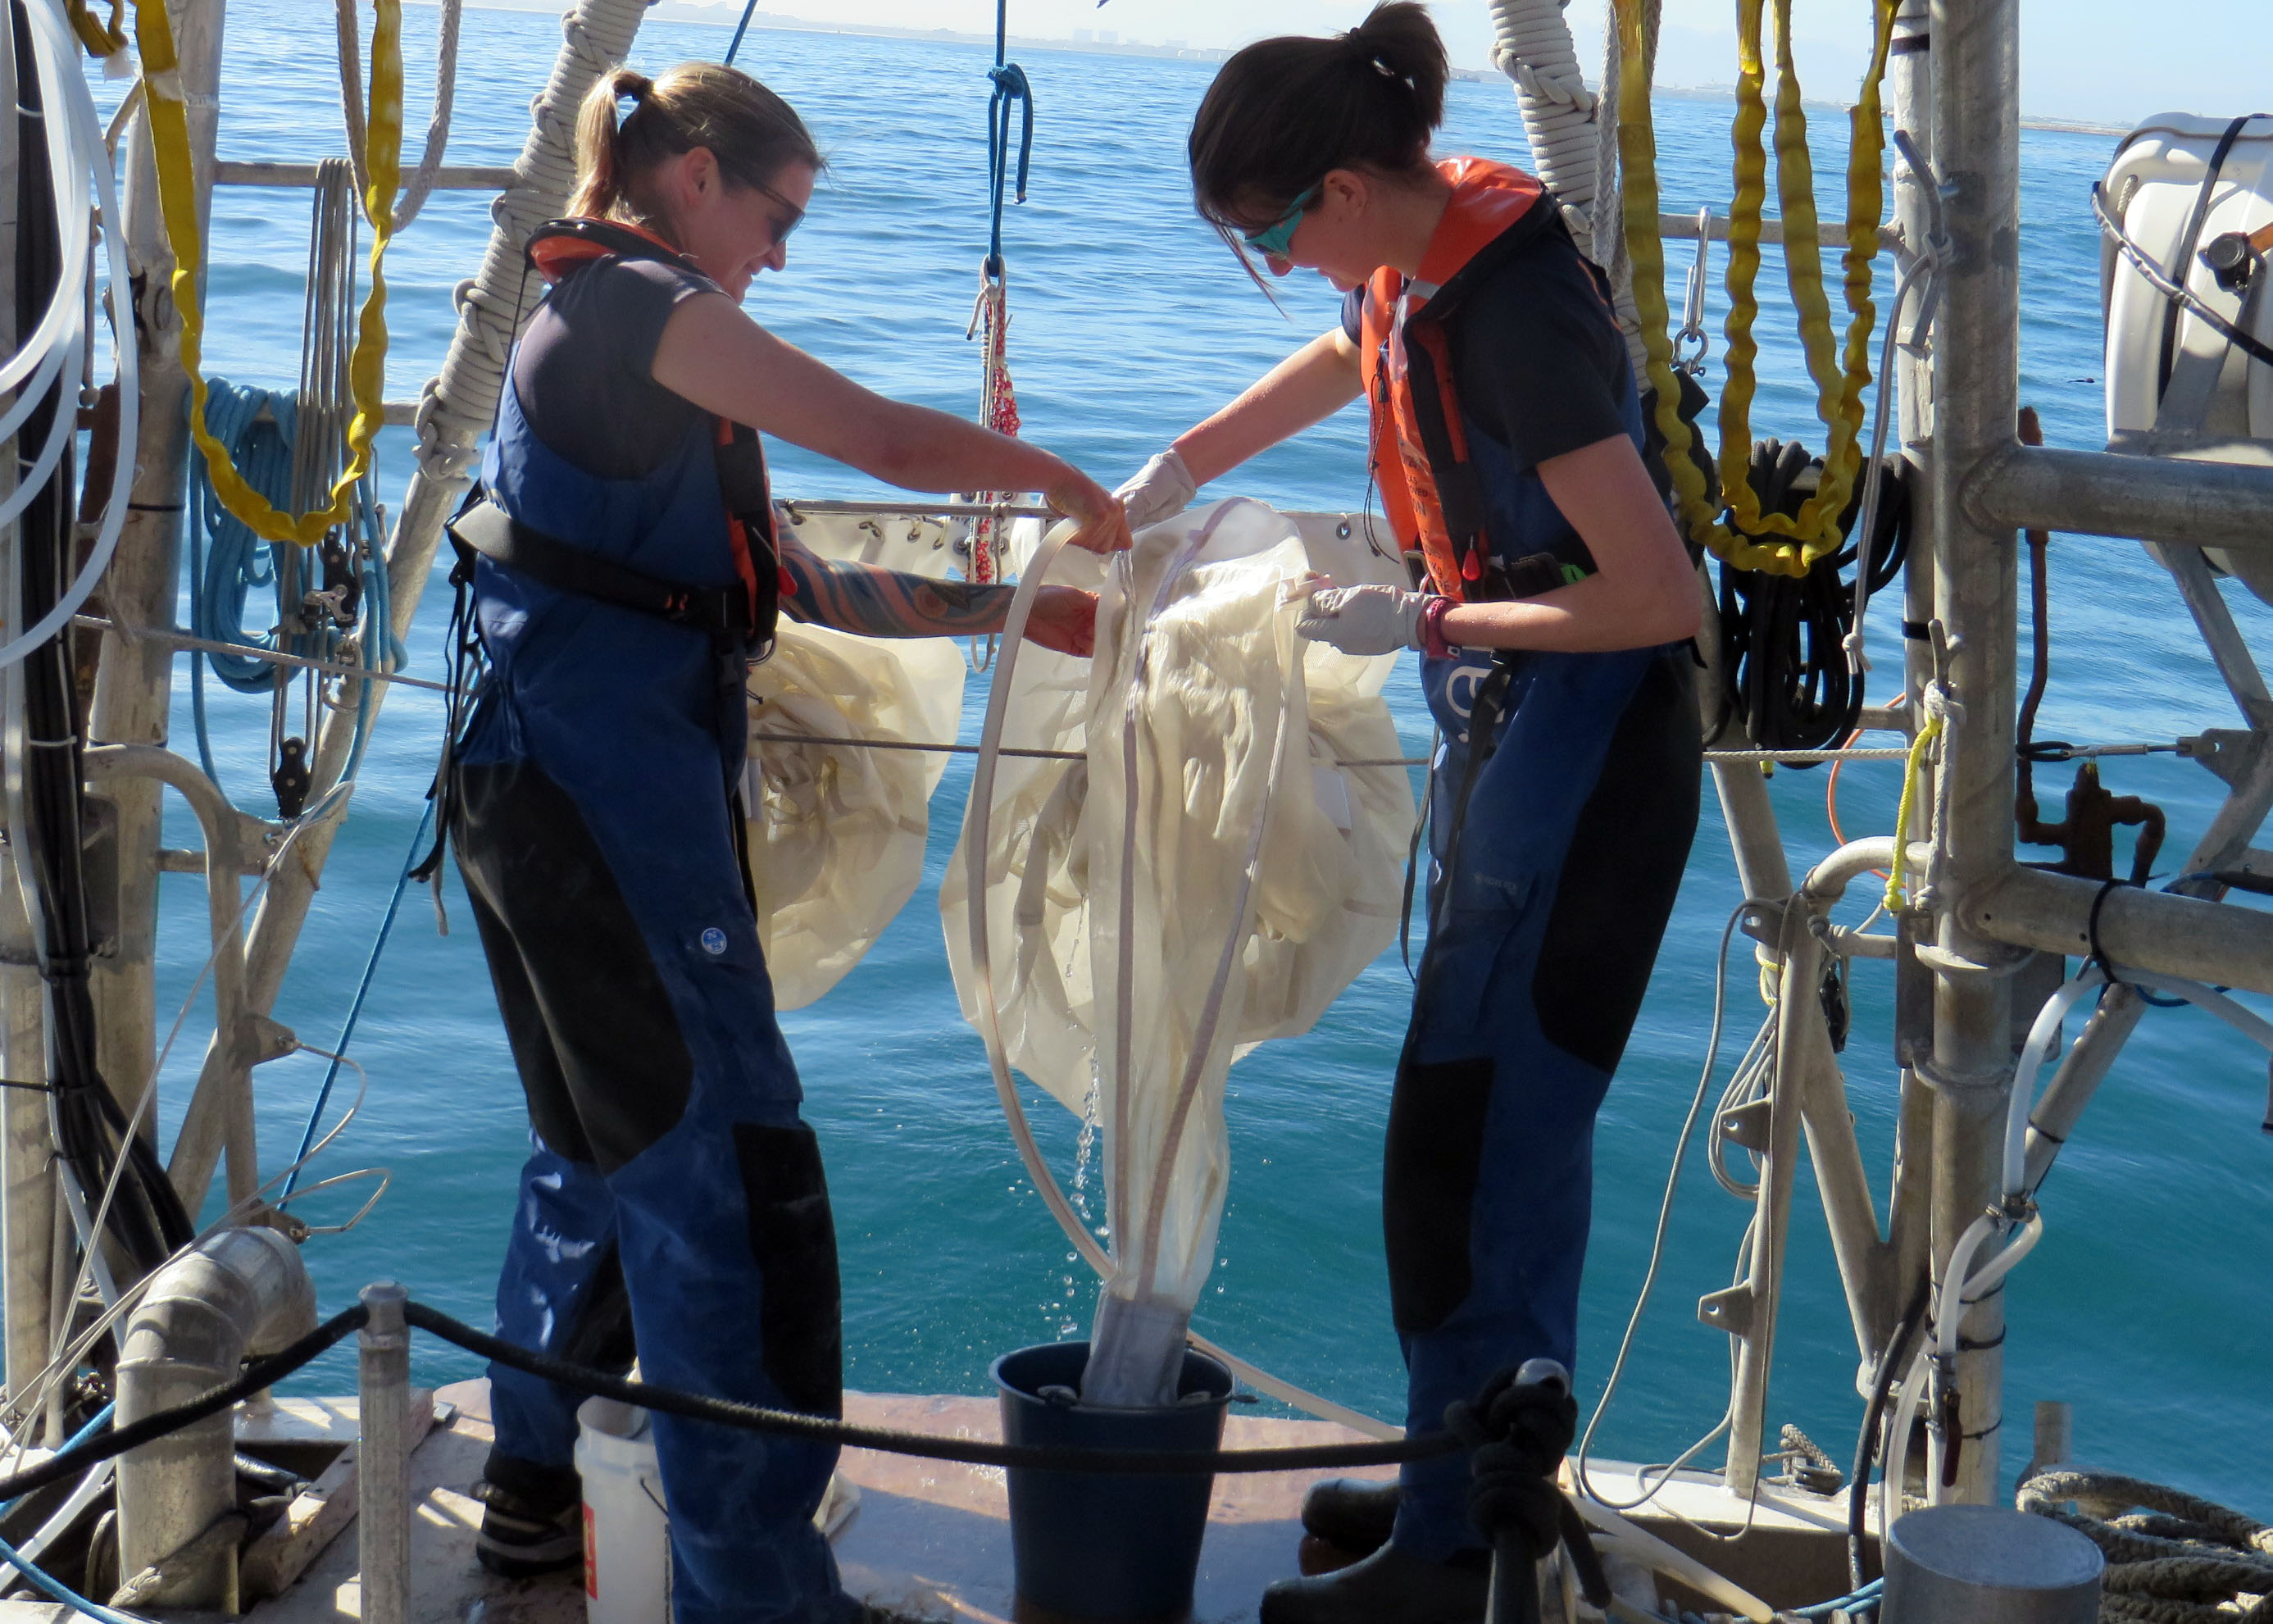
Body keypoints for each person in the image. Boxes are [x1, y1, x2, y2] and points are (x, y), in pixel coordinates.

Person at [446, 61, 1128, 1624]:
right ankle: (756, 1598)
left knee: (597, 1158)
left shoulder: (594, 317)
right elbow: (886, 443)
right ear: (693, 174)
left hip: (523, 795)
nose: (777, 254)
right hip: (606, 807)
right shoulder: (645, 304)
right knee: (724, 1179)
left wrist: (1013, 609)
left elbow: (778, 577)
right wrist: (1064, 489)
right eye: (777, 217)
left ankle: (533, 1503)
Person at [1116, 7, 1702, 1620]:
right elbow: (1351, 351)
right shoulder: (1417, 253)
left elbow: (1654, 595)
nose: (1278, 266)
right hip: (1513, 735)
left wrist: (1426, 620)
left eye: (1272, 235)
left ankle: (1455, 1556)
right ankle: (1458, 1474)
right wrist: (1176, 468)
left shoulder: (1516, 318)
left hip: (1587, 751)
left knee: (1478, 1139)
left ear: (1348, 189)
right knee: (1467, 1127)